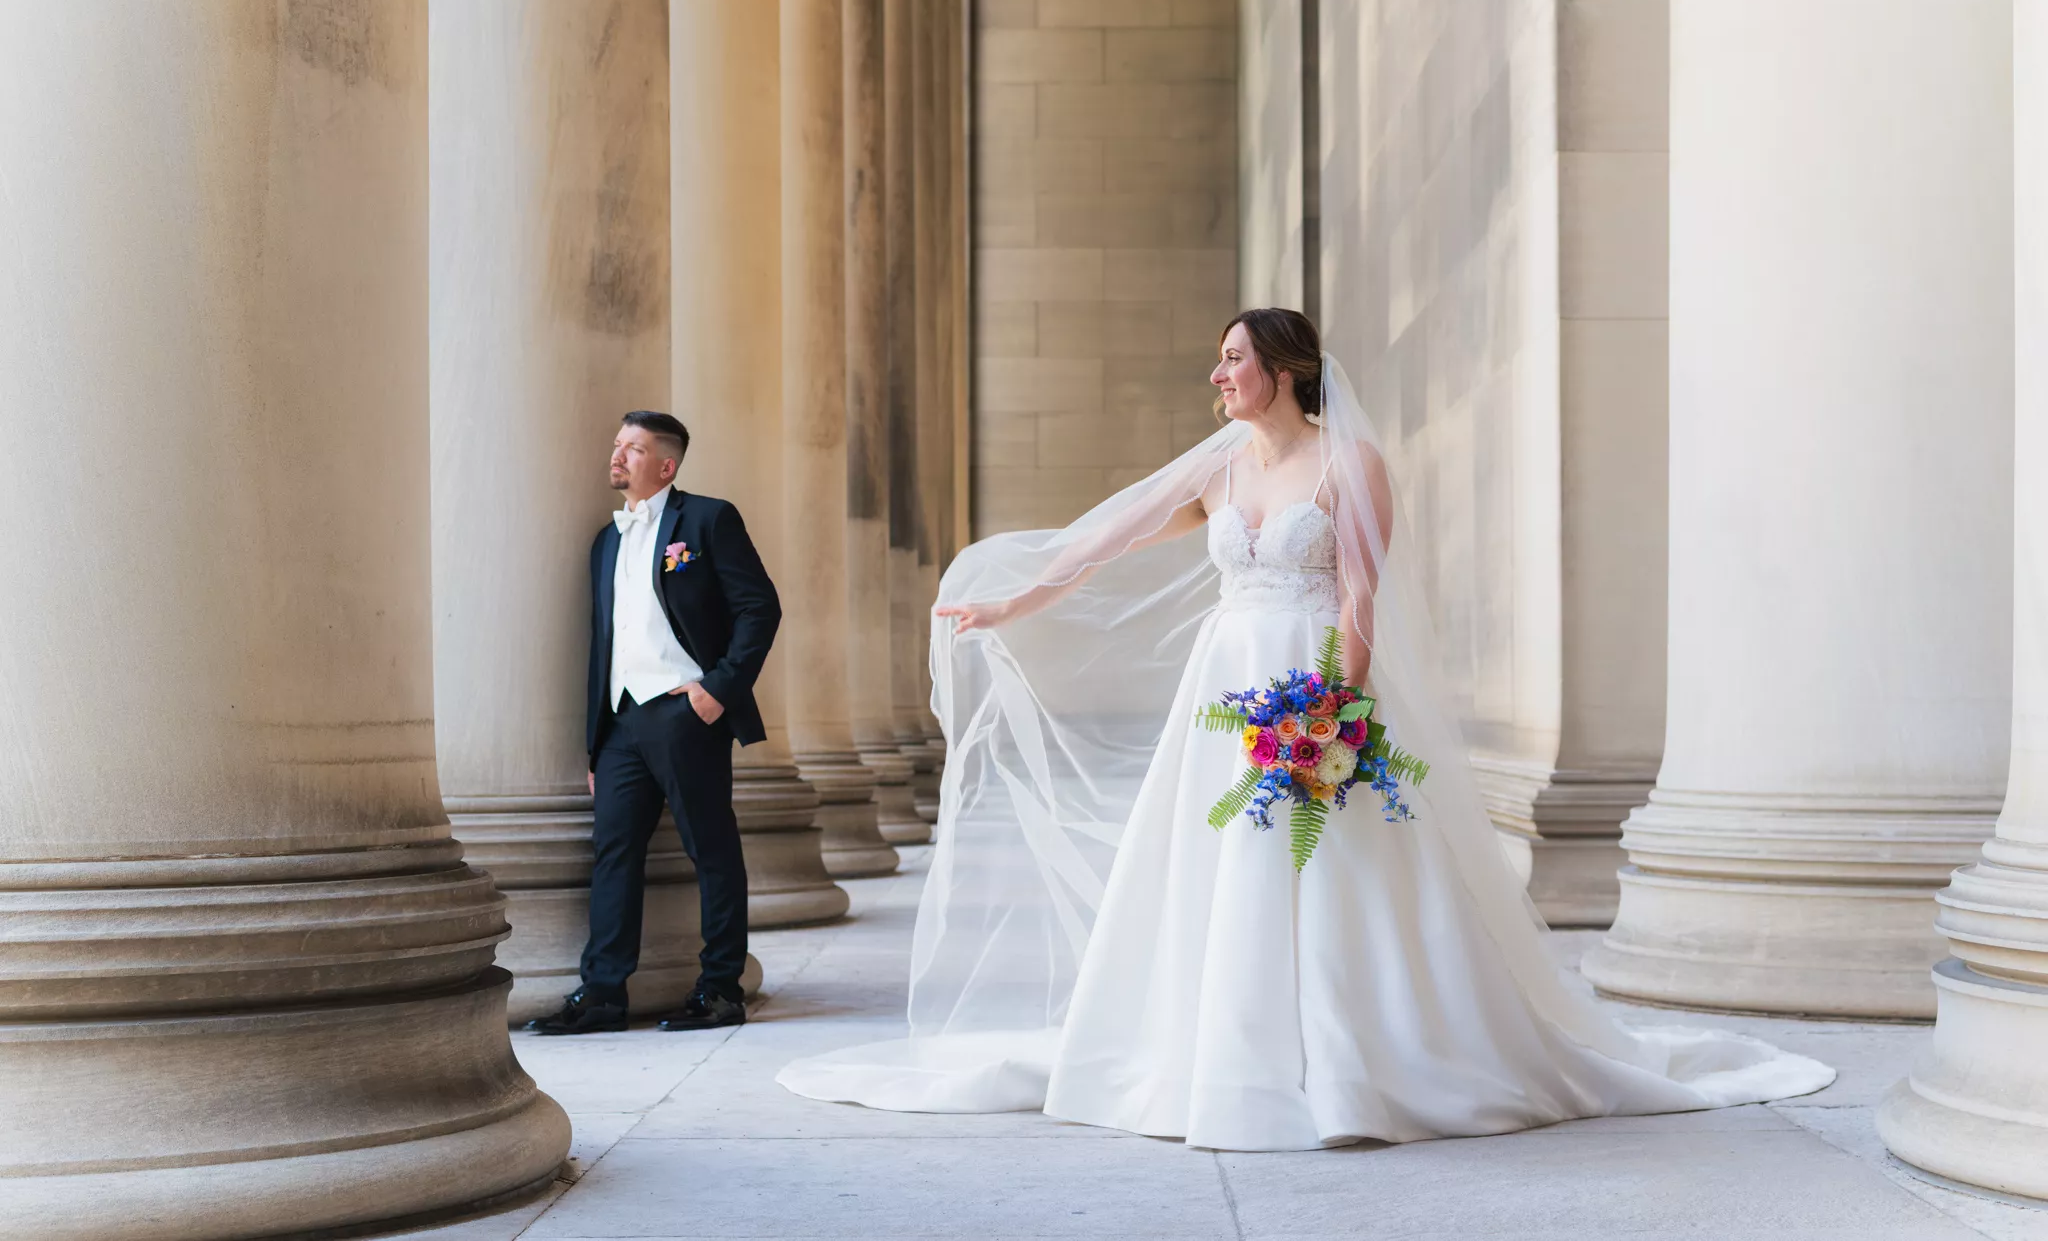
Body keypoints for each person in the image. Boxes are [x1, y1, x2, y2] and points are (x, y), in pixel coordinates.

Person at [777, 309, 1833, 1149]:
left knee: (1333, 876)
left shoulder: (1348, 466)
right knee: (1214, 868)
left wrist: (1337, 711)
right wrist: (1015, 601)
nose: (1217, 375)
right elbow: (1110, 536)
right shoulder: (1220, 466)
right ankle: (1213, 1052)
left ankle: (1358, 1059)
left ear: (1282, 367)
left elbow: (1363, 596)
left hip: (1309, 681)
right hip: (1223, 688)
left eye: (1232, 358)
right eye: (1217, 360)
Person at [527, 411, 779, 1035]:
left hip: (684, 712)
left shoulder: (708, 519)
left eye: (633, 449)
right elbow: (602, 644)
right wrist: (594, 744)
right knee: (612, 854)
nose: (618, 456)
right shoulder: (605, 540)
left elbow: (760, 608)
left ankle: (720, 988)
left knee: (711, 850)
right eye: (617, 445)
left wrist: (717, 690)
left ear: (665, 466)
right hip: (620, 724)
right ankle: (605, 993)